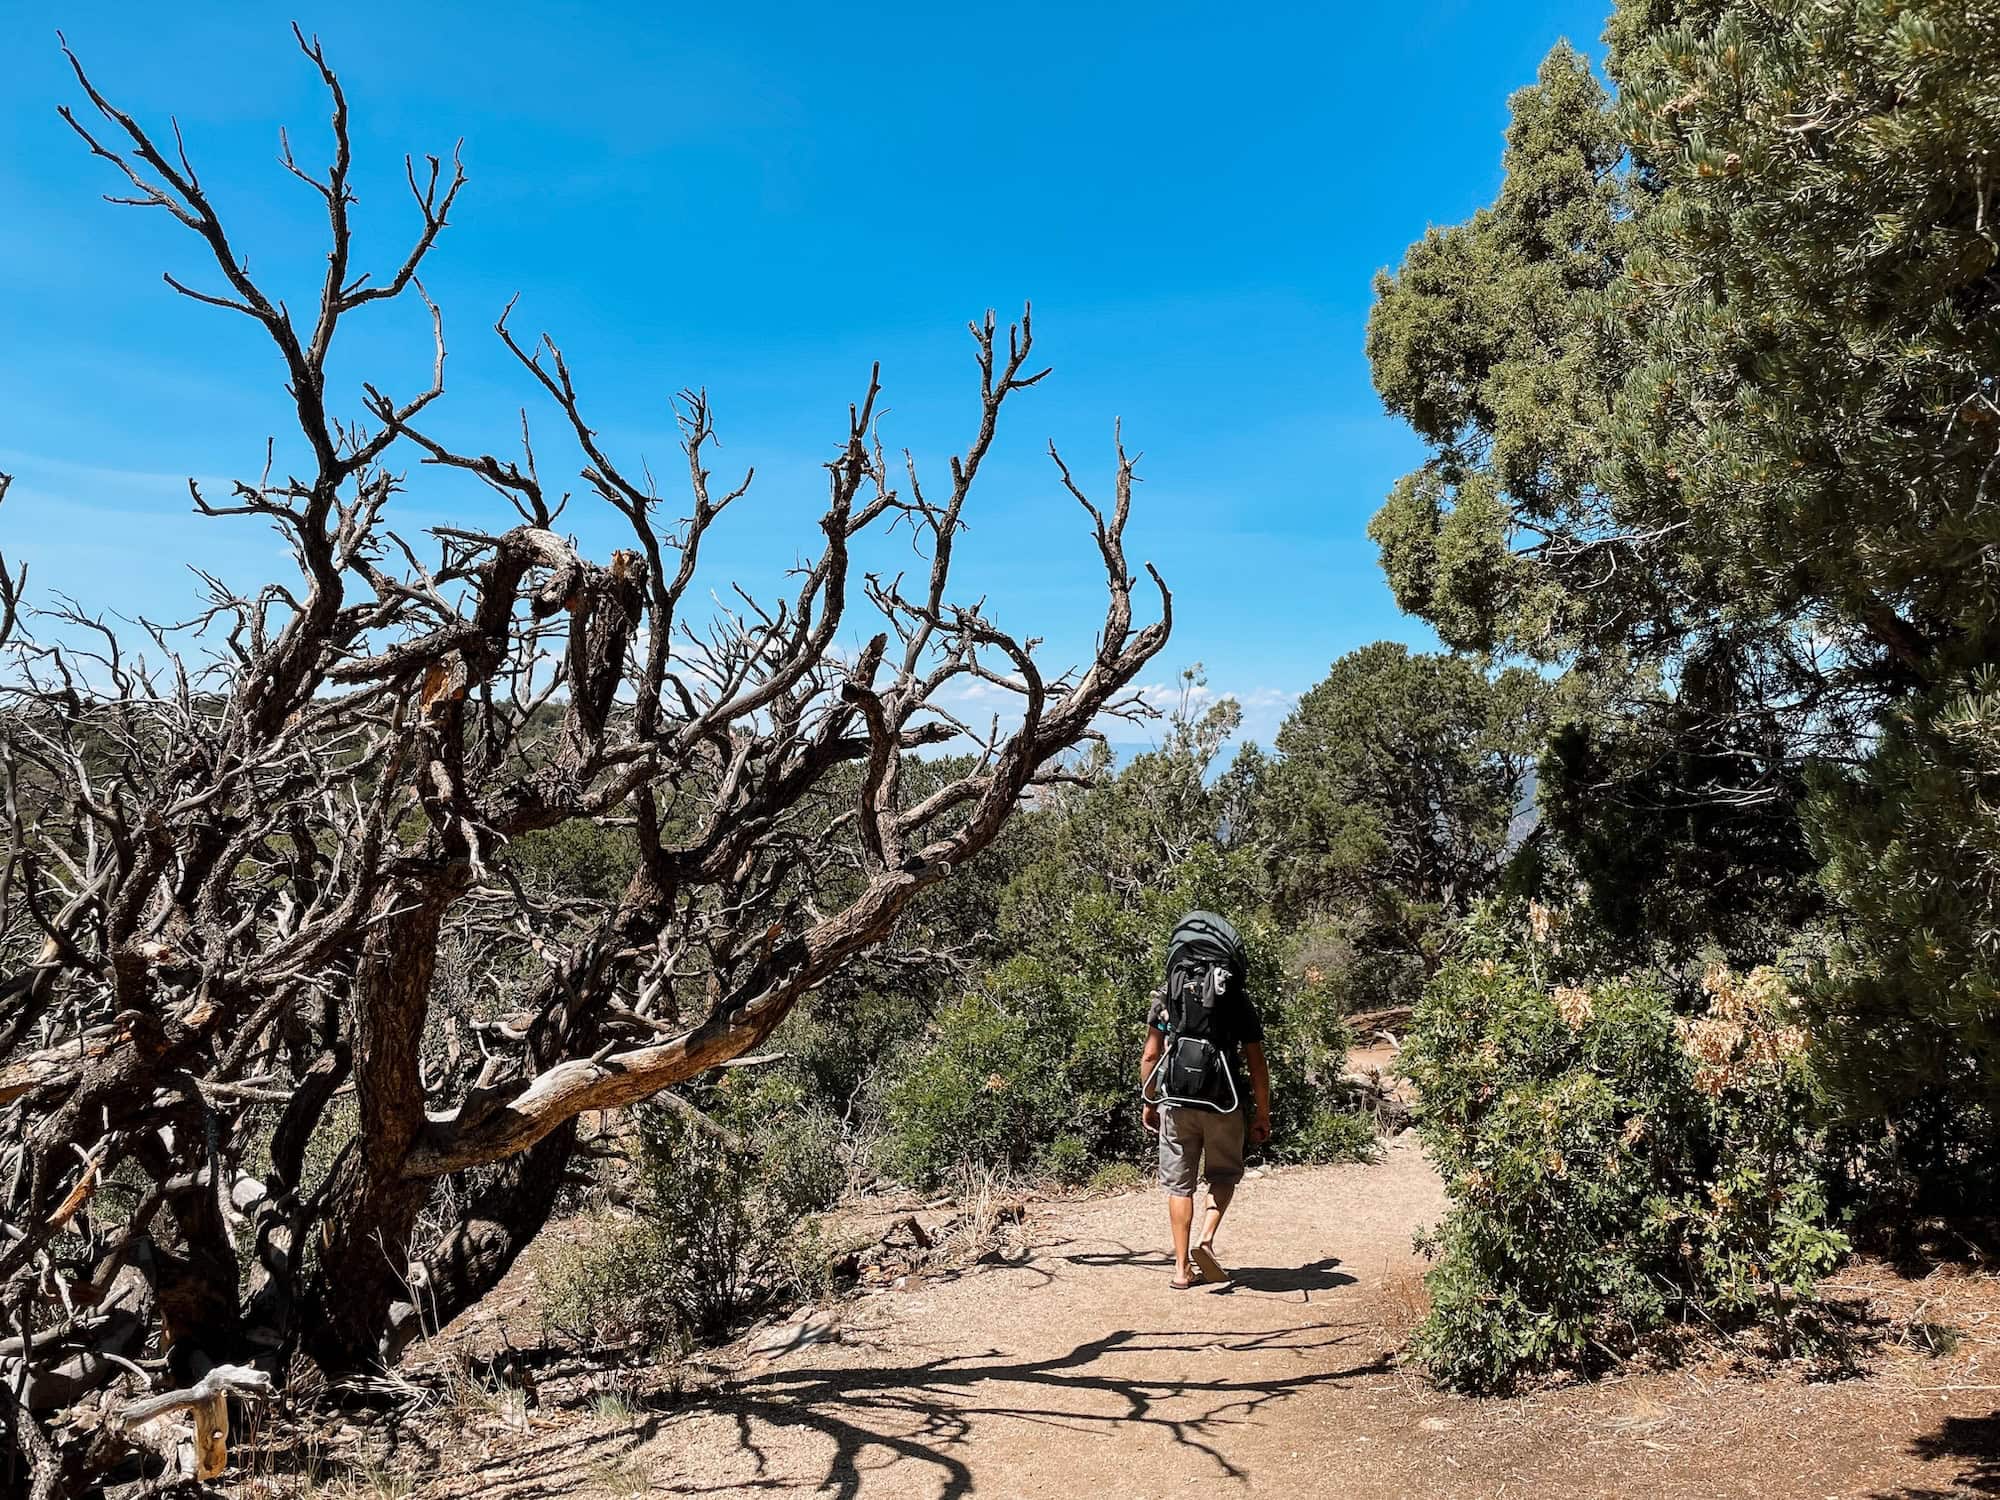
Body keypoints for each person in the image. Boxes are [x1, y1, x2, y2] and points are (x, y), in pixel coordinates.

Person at [1139, 912, 1272, 1290]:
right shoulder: (1238, 1001)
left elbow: (1151, 1055)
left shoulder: (1168, 995)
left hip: (1176, 1100)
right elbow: (1257, 1063)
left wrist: (1149, 1100)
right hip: (1223, 1100)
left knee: (1178, 1185)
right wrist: (1262, 1113)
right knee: (1224, 1174)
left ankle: (1181, 1269)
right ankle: (1207, 1239)